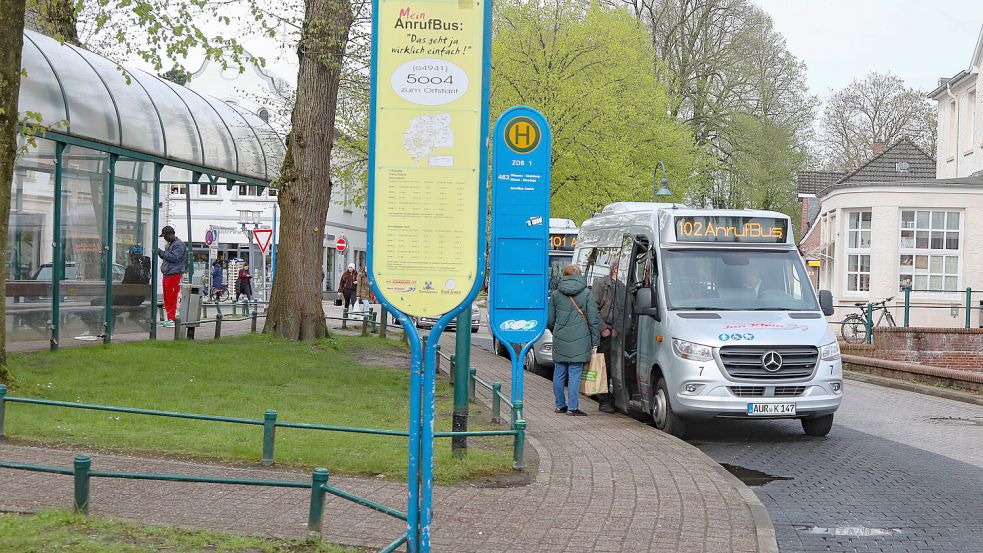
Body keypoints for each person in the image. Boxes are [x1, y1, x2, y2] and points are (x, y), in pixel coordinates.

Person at [547, 264, 600, 416]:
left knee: (559, 373)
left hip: (560, 339)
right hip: (580, 340)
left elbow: (550, 320)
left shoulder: (556, 295)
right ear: (579, 275)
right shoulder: (586, 294)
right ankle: (572, 407)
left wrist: (557, 331)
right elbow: (593, 320)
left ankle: (559, 405)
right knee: (575, 373)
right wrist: (595, 341)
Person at [593, 261, 624, 413]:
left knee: (613, 366)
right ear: (614, 268)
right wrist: (603, 328)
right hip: (603, 334)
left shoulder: (623, 287)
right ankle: (603, 400)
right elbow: (593, 309)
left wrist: (618, 328)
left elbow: (624, 310)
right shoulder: (601, 285)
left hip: (617, 334)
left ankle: (612, 397)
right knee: (603, 366)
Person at [157, 226, 186, 327]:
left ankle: (173, 319)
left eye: (165, 236)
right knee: (167, 297)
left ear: (170, 235)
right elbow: (168, 257)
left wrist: (161, 252)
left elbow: (174, 258)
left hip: (174, 274)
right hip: (168, 274)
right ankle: (169, 318)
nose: (164, 238)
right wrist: (161, 253)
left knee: (172, 297)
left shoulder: (179, 245)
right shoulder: (170, 244)